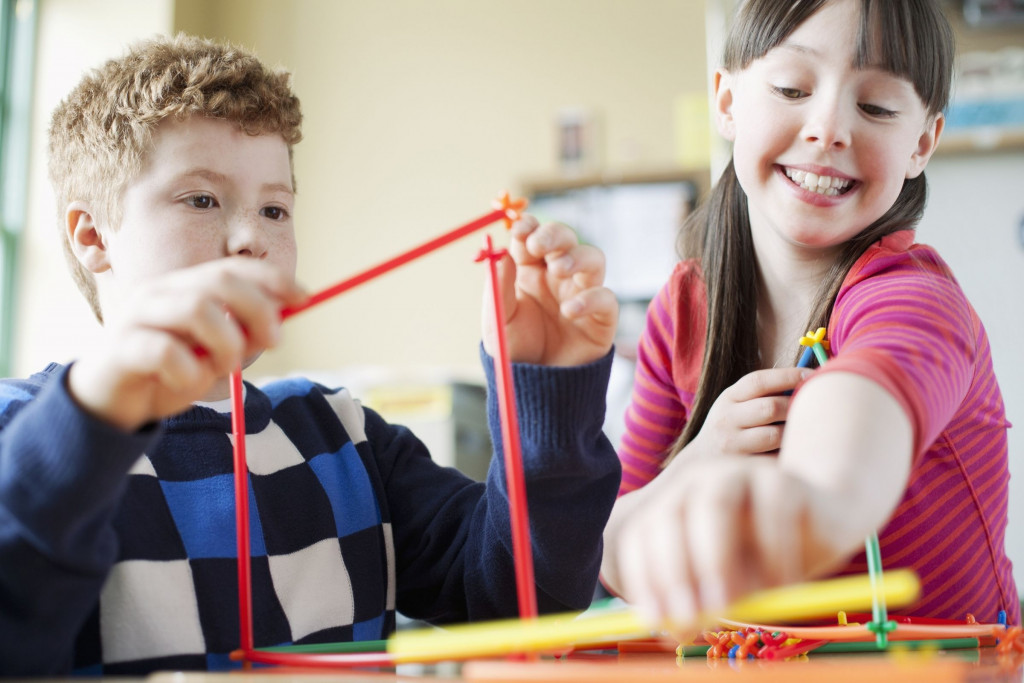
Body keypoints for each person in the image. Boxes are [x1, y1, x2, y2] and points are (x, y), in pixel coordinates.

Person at [0, 34, 621, 675]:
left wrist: (545, 396)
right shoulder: (21, 434)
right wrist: (91, 418)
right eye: (202, 199)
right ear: (93, 235)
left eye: (274, 208)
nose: (251, 239)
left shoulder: (343, 436)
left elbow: (526, 598)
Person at [601, 0, 1018, 630]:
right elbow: (612, 547)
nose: (828, 129)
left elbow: (854, 425)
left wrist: (808, 501)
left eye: (875, 106)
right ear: (727, 101)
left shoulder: (916, 298)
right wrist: (698, 462)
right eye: (792, 88)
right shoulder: (683, 309)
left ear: (922, 143)